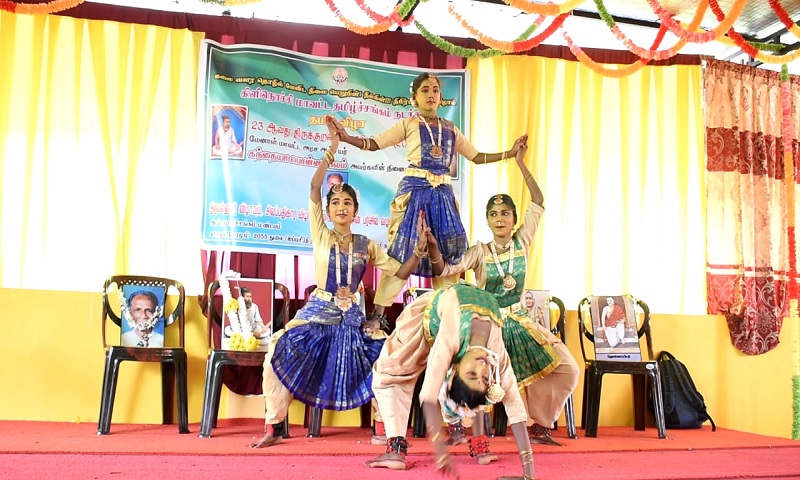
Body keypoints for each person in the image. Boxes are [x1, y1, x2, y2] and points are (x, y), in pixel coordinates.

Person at [250, 117, 430, 447]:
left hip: (353, 321)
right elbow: (313, 188)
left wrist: (418, 251)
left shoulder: (366, 245)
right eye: (335, 203)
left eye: (347, 203)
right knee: (276, 348)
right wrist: (332, 149)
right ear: (328, 211)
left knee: (385, 354)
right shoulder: (321, 234)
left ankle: (382, 428)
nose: (341, 207)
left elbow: (399, 272)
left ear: (356, 211)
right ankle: (273, 427)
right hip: (317, 314)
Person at [326, 72, 528, 324]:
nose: (431, 94)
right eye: (425, 90)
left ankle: (448, 316)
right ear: (414, 97)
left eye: (435, 90)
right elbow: (376, 143)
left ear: (440, 97)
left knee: (447, 257)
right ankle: (379, 315)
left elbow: (476, 157)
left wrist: (510, 153)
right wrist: (346, 138)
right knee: (401, 254)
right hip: (415, 194)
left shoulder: (451, 129)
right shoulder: (409, 124)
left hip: (442, 198)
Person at [430, 141, 579, 447]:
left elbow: (538, 201)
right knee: (465, 370)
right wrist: (431, 247)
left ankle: (540, 425)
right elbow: (446, 269)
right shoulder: (479, 252)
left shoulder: (522, 241)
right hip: (489, 325)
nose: (500, 219)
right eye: (494, 214)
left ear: (514, 218)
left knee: (567, 369)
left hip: (521, 323)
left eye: (506, 213)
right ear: (487, 220)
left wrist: (520, 163)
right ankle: (457, 424)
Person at [366, 282, 536, 480]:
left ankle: (397, 449)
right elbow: (428, 397)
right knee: (390, 372)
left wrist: (528, 474)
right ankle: (395, 449)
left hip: (447, 319)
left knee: (391, 374)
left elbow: (514, 406)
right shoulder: (479, 347)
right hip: (424, 319)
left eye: (473, 374)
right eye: (482, 377)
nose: (481, 367)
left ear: (455, 369)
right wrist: (440, 452)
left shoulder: (468, 349)